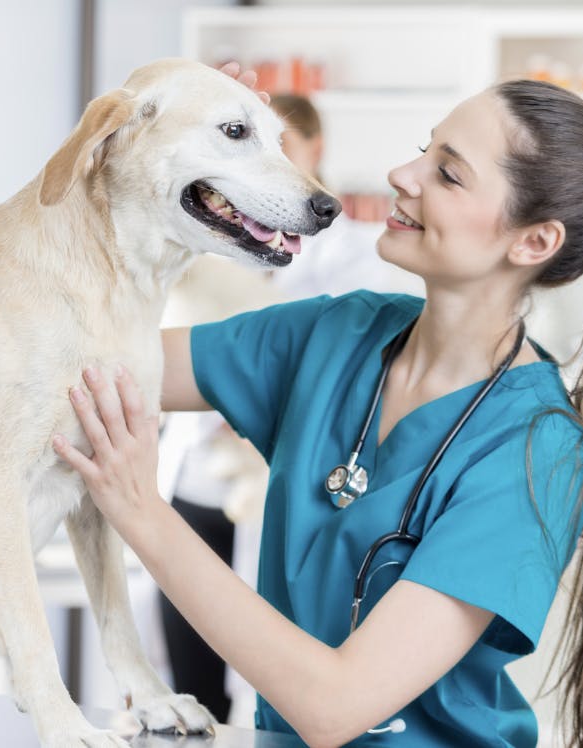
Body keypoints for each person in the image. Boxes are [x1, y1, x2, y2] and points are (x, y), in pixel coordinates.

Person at [52, 73, 583, 747]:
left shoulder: (534, 450)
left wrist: (139, 511)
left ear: (533, 242)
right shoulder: (338, 334)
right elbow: (84, 368)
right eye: (426, 150)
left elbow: (335, 706)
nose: (403, 173)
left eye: (447, 174)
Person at [154, 93, 421, 726]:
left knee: (268, 681)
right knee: (190, 681)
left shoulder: (364, 272)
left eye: (282, 149)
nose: (264, 172)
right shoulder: (202, 236)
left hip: (282, 483)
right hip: (195, 477)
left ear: (315, 152)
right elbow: (139, 349)